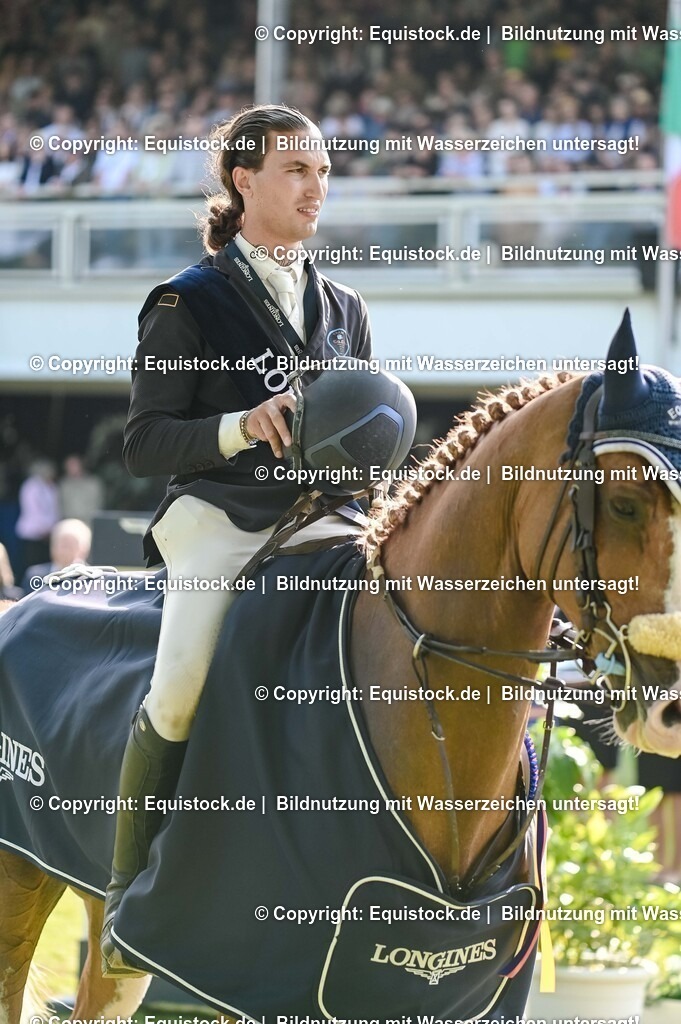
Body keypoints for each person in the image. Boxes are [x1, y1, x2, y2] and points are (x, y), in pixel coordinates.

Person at [101, 104, 373, 975]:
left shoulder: (346, 307)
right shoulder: (189, 300)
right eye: (296, 169)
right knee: (179, 689)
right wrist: (238, 425)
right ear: (242, 180)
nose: (314, 187)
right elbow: (144, 445)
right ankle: (127, 896)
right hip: (219, 517)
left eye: (323, 171)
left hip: (326, 517)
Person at [19, 517, 92, 595]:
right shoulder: (35, 577)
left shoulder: (94, 578)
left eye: (69, 545)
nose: (65, 550)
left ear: (85, 548)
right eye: (62, 544)